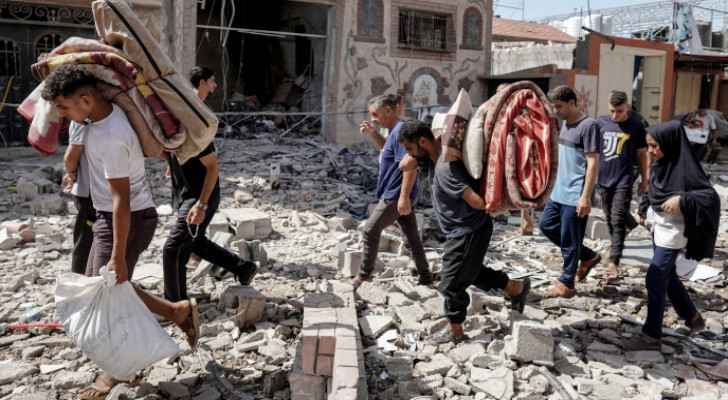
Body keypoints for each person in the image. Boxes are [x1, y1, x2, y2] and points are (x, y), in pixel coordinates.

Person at [41, 65, 200, 399]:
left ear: (85, 100)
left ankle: (116, 372)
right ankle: (175, 311)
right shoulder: (92, 124)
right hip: (109, 217)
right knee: (106, 287)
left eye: (65, 107)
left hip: (128, 219)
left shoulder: (112, 135)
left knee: (106, 292)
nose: (62, 115)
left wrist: (117, 254)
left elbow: (120, 201)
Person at [398, 121, 530, 343]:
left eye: (410, 148)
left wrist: (495, 206)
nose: (409, 154)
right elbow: (404, 165)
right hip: (461, 229)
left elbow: (476, 201)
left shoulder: (445, 168)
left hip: (469, 230)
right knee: (471, 271)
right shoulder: (431, 159)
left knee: (450, 284)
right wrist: (420, 148)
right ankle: (515, 288)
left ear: (423, 142)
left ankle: (456, 332)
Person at [162, 66, 256, 302]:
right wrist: (172, 162)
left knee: (174, 248)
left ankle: (175, 304)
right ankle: (243, 268)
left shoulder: (196, 124)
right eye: (212, 81)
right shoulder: (184, 120)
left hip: (199, 195)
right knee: (193, 243)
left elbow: (212, 166)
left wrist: (202, 205)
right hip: (187, 192)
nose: (215, 86)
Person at [624, 120, 720, 350]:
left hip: (675, 233)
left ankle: (651, 335)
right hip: (658, 228)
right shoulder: (661, 164)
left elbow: (709, 197)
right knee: (668, 276)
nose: (651, 151)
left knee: (655, 276)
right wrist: (643, 208)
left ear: (670, 143)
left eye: (655, 146)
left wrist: (682, 200)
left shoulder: (686, 170)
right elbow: (653, 189)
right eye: (649, 146)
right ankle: (692, 316)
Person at [353, 95, 433, 288]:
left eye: (375, 114)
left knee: (370, 230)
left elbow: (410, 165)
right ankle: (426, 276)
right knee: (412, 238)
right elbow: (388, 152)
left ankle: (364, 275)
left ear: (389, 111)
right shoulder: (394, 132)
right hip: (396, 194)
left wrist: (404, 197)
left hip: (395, 194)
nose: (373, 119)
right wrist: (373, 134)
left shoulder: (401, 132)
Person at [539, 86, 602, 298]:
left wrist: (585, 197)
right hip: (558, 191)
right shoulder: (565, 124)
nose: (557, 111)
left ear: (573, 103)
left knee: (570, 239)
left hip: (575, 193)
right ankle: (588, 256)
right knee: (546, 226)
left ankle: (567, 283)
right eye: (554, 107)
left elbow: (593, 164)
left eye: (560, 106)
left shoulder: (589, 126)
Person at [596, 91, 649, 282]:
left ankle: (614, 260)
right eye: (612, 111)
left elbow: (643, 154)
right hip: (604, 179)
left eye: (619, 111)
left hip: (624, 178)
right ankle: (631, 228)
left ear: (627, 107)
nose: (615, 116)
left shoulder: (636, 126)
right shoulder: (601, 123)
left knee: (617, 217)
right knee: (610, 216)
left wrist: (645, 179)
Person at [496, 83, 534, 235]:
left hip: (519, 152)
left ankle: (526, 223)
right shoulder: (498, 109)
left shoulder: (521, 110)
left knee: (522, 186)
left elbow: (527, 129)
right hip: (503, 152)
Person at [62, 123, 96, 275]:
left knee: (87, 237)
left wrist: (70, 172)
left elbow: (72, 155)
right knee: (89, 238)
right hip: (94, 191)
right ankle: (82, 278)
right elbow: (72, 155)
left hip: (89, 191)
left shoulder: (81, 118)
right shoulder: (83, 119)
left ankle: (83, 277)